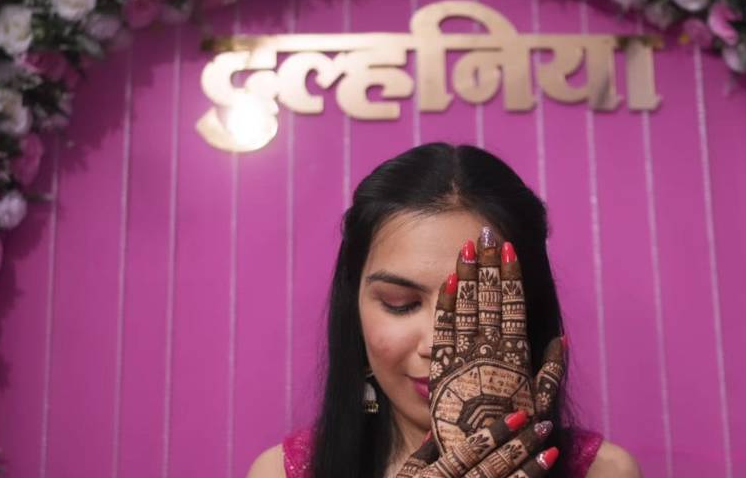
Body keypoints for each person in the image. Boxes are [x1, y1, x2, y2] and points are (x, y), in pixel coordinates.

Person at [246, 143, 641, 477]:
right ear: (355, 311)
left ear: (528, 312)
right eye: (401, 305)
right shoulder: (282, 471)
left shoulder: (605, 471)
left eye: (476, 304)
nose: (438, 344)